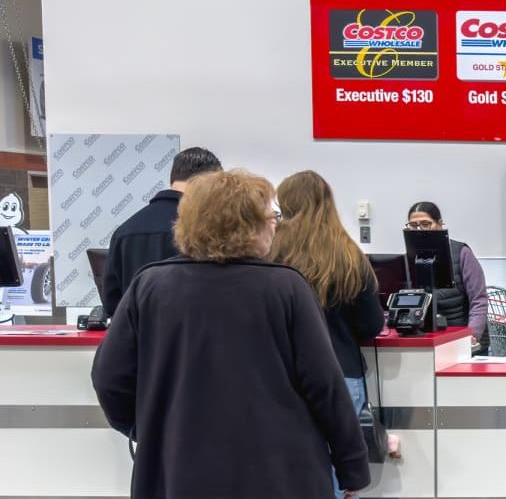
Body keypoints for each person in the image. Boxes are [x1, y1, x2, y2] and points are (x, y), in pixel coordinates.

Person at [91, 170, 369, 499]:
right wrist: (351, 466)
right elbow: (325, 385)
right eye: (270, 215)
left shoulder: (149, 286)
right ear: (247, 223)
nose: (275, 223)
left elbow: (109, 378)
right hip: (280, 471)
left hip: (178, 469)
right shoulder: (286, 287)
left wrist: (149, 429)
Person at [268, 171, 384, 499]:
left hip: (282, 376)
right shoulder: (347, 255)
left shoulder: (271, 254)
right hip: (341, 374)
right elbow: (371, 324)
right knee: (338, 471)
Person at [99, 146, 221, 317]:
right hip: (188, 337)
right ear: (209, 182)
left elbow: (112, 303)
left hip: (141, 339)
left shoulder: (125, 231)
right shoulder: (206, 229)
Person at [407, 201, 488, 351]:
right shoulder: (410, 257)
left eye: (426, 224)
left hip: (462, 337)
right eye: (413, 225)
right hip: (427, 339)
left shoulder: (462, 253)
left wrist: (473, 334)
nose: (419, 230)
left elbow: (479, 299)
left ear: (440, 224)